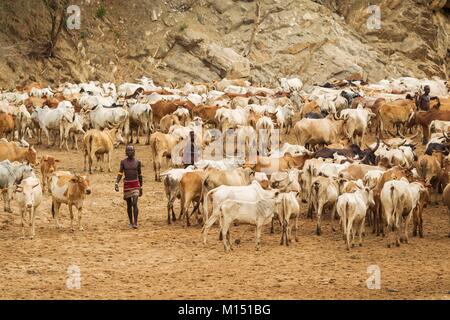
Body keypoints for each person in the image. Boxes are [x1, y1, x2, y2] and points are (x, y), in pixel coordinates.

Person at [115, 145, 143, 229]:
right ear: (125, 152)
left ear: (134, 152)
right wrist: (116, 183)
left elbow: (140, 175)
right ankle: (131, 222)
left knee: (134, 203)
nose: (129, 152)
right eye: (128, 151)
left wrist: (141, 186)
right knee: (129, 204)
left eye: (131, 150)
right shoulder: (123, 162)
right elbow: (120, 173)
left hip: (135, 184)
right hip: (127, 185)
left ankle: (135, 222)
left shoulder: (138, 162)